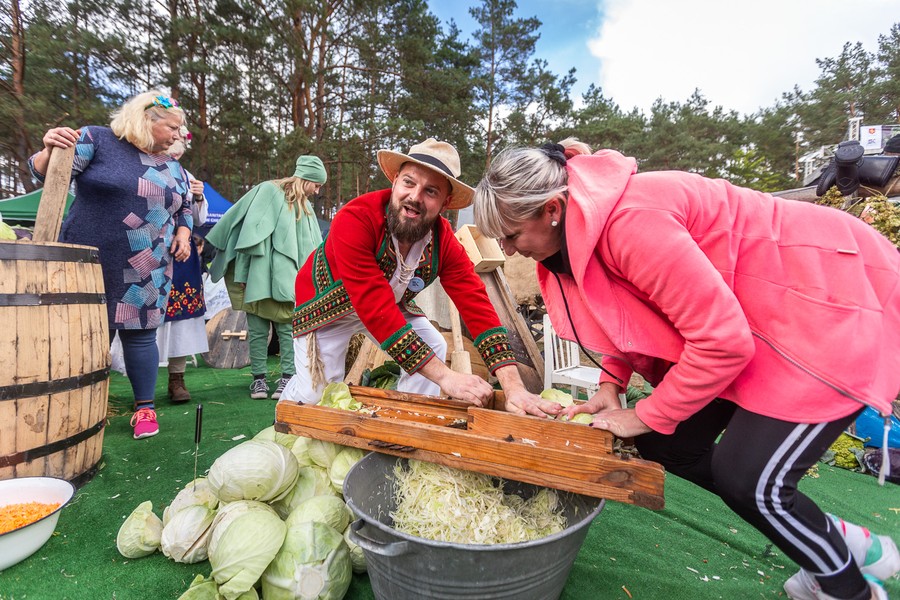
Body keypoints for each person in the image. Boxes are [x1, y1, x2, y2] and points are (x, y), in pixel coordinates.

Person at [472, 139, 900, 600]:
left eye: (512, 235)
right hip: (752, 321)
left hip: (827, 303)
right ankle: (831, 538)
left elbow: (723, 342)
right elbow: (627, 311)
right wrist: (611, 383)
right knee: (668, 442)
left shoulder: (630, 224)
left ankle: (847, 588)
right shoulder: (579, 230)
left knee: (750, 479)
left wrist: (643, 413)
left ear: (553, 210)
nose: (507, 251)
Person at [280, 138, 544, 412]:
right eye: (409, 182)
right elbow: (374, 306)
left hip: (387, 305)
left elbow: (475, 303)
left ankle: (409, 417)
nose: (415, 197)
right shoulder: (355, 218)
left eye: (431, 191)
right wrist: (446, 377)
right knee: (315, 393)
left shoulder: (444, 242)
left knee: (434, 343)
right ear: (395, 181)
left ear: (445, 202)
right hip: (328, 308)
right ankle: (282, 421)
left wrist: (513, 387)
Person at [30, 90, 193, 440]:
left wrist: (183, 231)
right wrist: (48, 150)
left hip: (147, 265)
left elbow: (184, 206)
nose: (179, 135)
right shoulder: (98, 140)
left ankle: (144, 409)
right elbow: (50, 173)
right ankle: (76, 407)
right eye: (173, 127)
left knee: (141, 335)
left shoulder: (174, 166)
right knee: (86, 335)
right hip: (88, 261)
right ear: (146, 119)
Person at [205, 155, 325, 400]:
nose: (317, 191)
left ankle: (287, 377)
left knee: (288, 328)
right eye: (317, 184)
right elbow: (248, 235)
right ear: (307, 179)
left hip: (287, 278)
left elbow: (313, 248)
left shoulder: (306, 208)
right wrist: (243, 274)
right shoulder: (268, 191)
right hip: (258, 276)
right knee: (258, 328)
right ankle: (258, 380)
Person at [157, 137, 209, 402]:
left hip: (181, 256)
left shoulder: (185, 175)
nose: (175, 159)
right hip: (145, 250)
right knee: (142, 315)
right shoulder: (137, 166)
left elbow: (198, 219)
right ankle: (140, 384)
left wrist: (198, 196)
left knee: (181, 318)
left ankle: (176, 379)